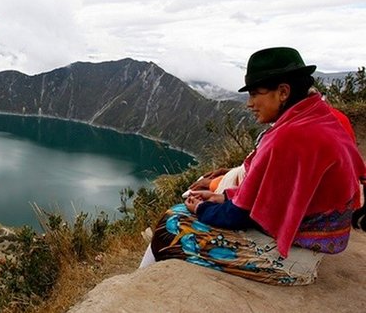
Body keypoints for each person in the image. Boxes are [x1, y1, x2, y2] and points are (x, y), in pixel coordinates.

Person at [148, 47, 365, 285]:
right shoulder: (320, 117)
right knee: (183, 214)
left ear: (283, 92)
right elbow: (273, 196)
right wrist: (223, 198)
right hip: (314, 242)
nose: (249, 104)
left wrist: (200, 209)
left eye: (254, 94)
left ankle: (146, 288)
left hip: (293, 257)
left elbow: (241, 217)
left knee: (170, 225)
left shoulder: (289, 137)